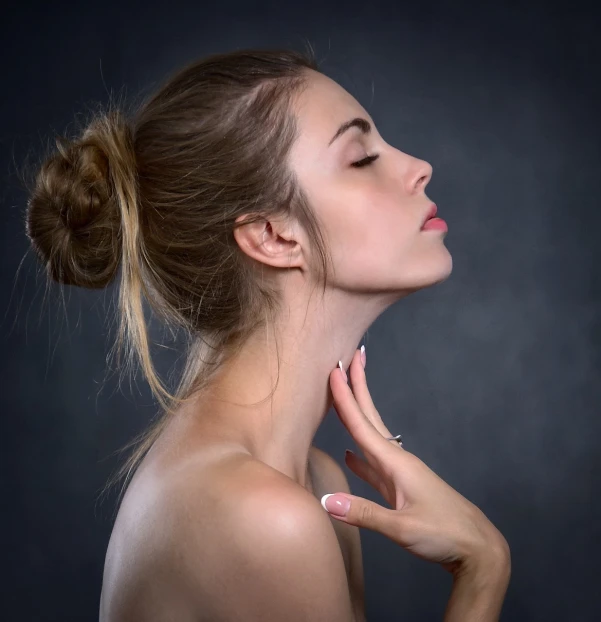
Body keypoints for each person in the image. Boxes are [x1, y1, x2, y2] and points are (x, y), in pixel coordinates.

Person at [24, 47, 510, 621]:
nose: (417, 166)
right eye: (361, 158)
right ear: (273, 236)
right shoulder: (262, 517)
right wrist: (484, 567)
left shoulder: (312, 480)